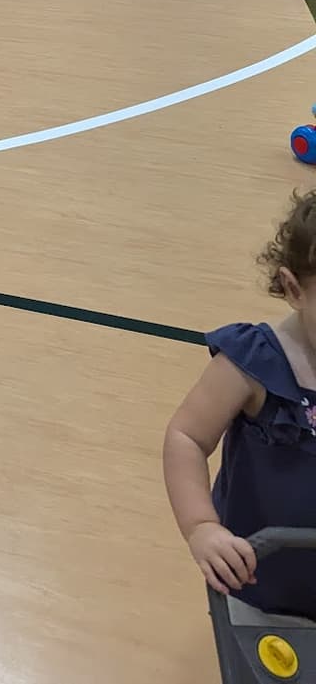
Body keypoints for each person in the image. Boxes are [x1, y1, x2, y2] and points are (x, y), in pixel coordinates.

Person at [163, 190, 316, 619]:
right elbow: (187, 437)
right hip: (257, 579)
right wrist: (202, 528)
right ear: (293, 288)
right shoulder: (254, 363)